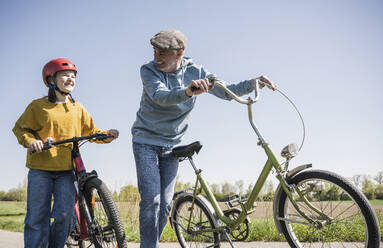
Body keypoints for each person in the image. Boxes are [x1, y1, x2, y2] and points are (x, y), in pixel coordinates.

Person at [131, 29, 277, 248]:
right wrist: (188, 92)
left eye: (163, 52)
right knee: (152, 201)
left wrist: (253, 83)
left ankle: (152, 244)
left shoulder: (196, 71)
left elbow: (226, 90)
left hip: (171, 144)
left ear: (179, 52)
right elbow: (161, 97)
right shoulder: (149, 71)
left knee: (165, 205)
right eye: (155, 50)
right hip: (146, 141)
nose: (156, 56)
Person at [12, 58, 119, 248]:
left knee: (65, 217)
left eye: (73, 76)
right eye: (65, 76)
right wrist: (32, 141)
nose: (70, 79)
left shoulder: (77, 108)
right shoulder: (38, 106)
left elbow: (91, 131)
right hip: (40, 170)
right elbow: (20, 129)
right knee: (37, 217)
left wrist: (106, 135)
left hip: (66, 171)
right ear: (51, 80)